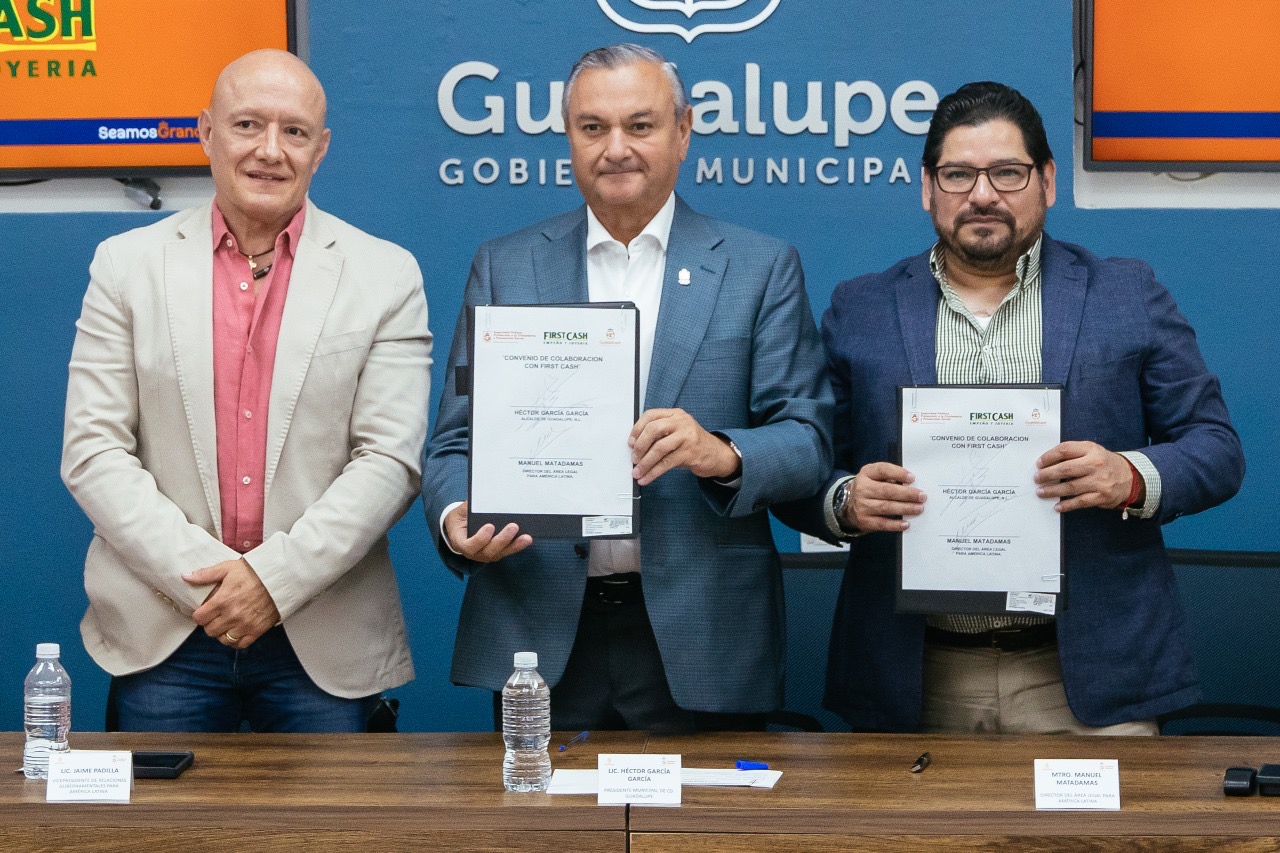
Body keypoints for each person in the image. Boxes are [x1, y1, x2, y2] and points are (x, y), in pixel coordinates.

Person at [781, 81, 1243, 735]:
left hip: (1089, 675)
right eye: (958, 174)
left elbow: (1216, 447)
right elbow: (800, 462)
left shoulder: (1125, 293)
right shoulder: (862, 308)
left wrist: (1130, 475)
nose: (982, 194)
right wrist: (846, 499)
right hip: (915, 674)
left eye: (1007, 172)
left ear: (1047, 181)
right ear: (928, 187)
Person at [423, 44, 833, 731]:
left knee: (703, 809)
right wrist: (456, 516)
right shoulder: (505, 266)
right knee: (537, 808)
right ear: (569, 138)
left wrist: (721, 453)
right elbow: (455, 442)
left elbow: (808, 440)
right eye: (593, 127)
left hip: (702, 632)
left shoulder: (759, 267)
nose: (616, 148)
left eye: (639, 125)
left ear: (683, 131)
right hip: (540, 627)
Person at [61, 49, 432, 732]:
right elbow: (94, 451)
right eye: (247, 125)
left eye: (294, 131)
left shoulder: (386, 275)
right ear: (206, 132)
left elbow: (389, 460)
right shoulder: (125, 266)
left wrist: (272, 582)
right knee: (159, 808)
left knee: (336, 811)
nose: (270, 150)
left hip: (321, 636)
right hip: (167, 631)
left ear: (321, 149)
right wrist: (213, 585)